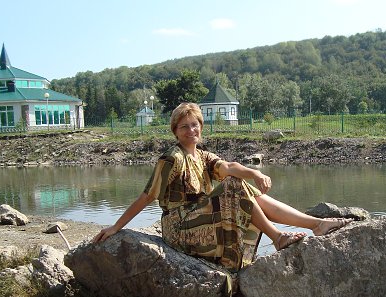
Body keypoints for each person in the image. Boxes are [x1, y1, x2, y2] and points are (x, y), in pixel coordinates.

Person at [92, 102, 350, 273]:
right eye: (184, 126)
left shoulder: (202, 156)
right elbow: (147, 195)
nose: (191, 130)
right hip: (179, 226)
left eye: (195, 124)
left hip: (200, 217)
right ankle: (278, 237)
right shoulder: (172, 158)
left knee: (242, 186)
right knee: (234, 187)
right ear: (175, 131)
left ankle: (316, 224)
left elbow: (229, 167)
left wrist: (255, 173)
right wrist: (116, 227)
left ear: (201, 127)